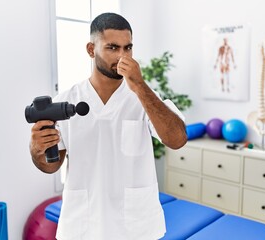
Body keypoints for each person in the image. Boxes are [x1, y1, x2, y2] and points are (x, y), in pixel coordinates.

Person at [29, 12, 187, 240]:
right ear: (91, 50)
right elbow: (50, 166)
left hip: (134, 226)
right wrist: (36, 152)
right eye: (113, 48)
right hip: (84, 225)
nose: (123, 57)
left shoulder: (145, 98)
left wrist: (139, 86)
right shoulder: (66, 101)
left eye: (128, 48)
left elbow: (177, 140)